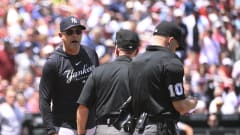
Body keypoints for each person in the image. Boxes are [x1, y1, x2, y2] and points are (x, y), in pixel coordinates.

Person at [128, 21, 198, 135]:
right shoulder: (171, 62)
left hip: (136, 128)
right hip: (160, 129)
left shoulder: (135, 61)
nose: (176, 51)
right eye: (176, 47)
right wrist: (192, 103)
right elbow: (180, 106)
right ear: (170, 41)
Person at [39, 16, 99, 135]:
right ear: (61, 35)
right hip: (65, 126)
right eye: (70, 32)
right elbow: (44, 99)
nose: (75, 35)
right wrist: (51, 131)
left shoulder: (91, 54)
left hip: (91, 125)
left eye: (78, 31)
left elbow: (98, 88)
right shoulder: (53, 63)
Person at [76, 29, 140, 135]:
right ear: (137, 51)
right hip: (131, 129)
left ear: (116, 49)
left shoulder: (98, 71)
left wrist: (81, 133)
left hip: (103, 129)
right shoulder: (141, 73)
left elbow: (83, 107)